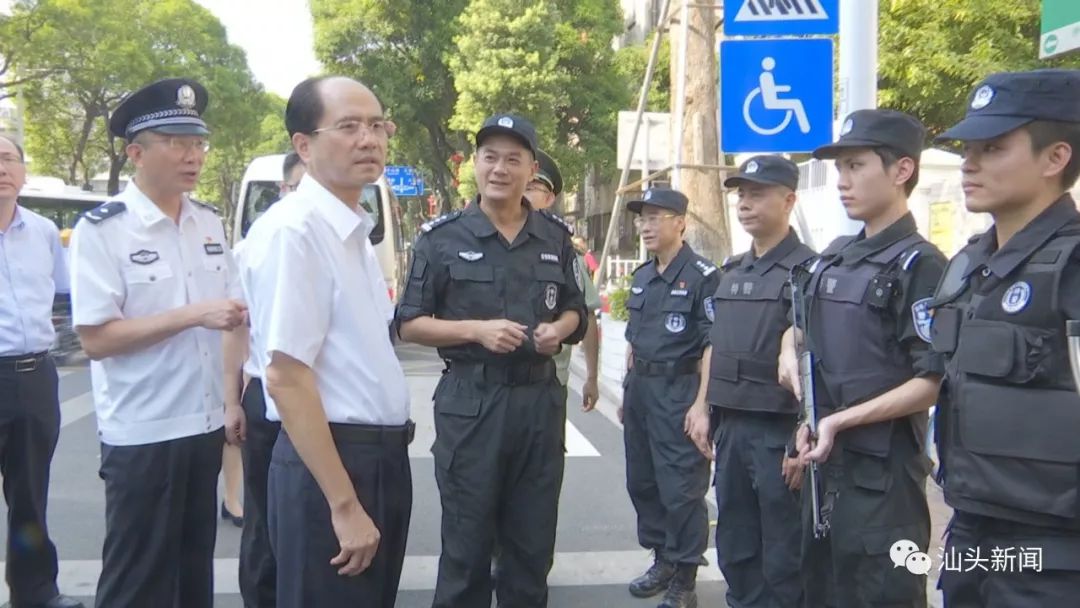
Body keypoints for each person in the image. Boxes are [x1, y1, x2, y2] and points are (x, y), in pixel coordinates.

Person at [69, 78, 247, 608]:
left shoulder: (208, 222)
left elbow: (235, 313)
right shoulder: (103, 231)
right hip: (143, 430)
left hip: (204, 425)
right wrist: (193, 314)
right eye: (176, 143)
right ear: (136, 152)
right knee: (138, 579)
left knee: (194, 575)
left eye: (197, 144)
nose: (192, 156)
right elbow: (97, 338)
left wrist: (233, 399)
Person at [396, 113, 586, 608]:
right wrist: (474, 330)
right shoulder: (441, 238)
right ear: (475, 165)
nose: (499, 168)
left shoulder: (554, 236)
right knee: (467, 548)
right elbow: (409, 323)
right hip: (471, 404)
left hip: (539, 405)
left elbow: (576, 309)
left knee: (531, 546)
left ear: (531, 169)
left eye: (513, 159)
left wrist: (559, 331)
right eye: (490, 157)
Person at [240, 76, 411, 608]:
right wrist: (342, 504)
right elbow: (287, 376)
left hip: (376, 458)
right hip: (333, 462)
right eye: (349, 126)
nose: (369, 138)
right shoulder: (296, 232)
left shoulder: (351, 229)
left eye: (377, 125)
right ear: (304, 146)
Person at [776, 109, 947, 608]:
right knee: (820, 590)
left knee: (881, 594)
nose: (842, 183)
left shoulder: (921, 264)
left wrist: (840, 421)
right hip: (824, 468)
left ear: (901, 171)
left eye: (856, 167)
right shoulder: (835, 255)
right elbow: (802, 324)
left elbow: (933, 377)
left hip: (884, 480)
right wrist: (790, 349)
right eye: (839, 169)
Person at [930, 69, 1080, 607]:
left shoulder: (1073, 266)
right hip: (973, 535)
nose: (969, 162)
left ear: (1055, 158)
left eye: (992, 148)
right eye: (968, 148)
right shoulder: (972, 265)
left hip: (1057, 556)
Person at [687, 155, 813, 608]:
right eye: (741, 194)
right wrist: (702, 406)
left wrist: (803, 442)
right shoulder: (732, 270)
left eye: (757, 194)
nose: (745, 204)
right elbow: (714, 345)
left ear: (789, 200)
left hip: (778, 434)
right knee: (737, 547)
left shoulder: (809, 272)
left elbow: (817, 360)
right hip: (731, 430)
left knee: (782, 553)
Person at [621, 186, 720, 608]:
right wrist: (627, 389)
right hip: (642, 390)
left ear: (680, 222)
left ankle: (685, 578)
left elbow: (713, 343)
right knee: (643, 482)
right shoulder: (642, 276)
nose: (645, 225)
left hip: (679, 392)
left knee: (681, 489)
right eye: (642, 217)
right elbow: (632, 337)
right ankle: (662, 558)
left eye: (656, 216)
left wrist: (702, 405)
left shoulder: (703, 275)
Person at [0, 135, 83, 608]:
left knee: (30, 495)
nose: (2, 168)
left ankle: (33, 593)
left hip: (34, 376)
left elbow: (64, 295)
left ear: (24, 171)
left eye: (9, 158)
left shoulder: (45, 232)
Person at [224, 151, 306, 608]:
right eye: (300, 187)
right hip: (267, 399)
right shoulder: (256, 244)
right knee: (264, 518)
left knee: (312, 517)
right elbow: (235, 328)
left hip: (323, 403)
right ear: (283, 190)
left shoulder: (344, 241)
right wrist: (231, 400)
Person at [524, 150, 601, 410]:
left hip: (550, 379)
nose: (525, 193)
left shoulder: (565, 253)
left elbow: (586, 314)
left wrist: (591, 377)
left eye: (533, 187)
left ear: (548, 198)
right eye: (522, 185)